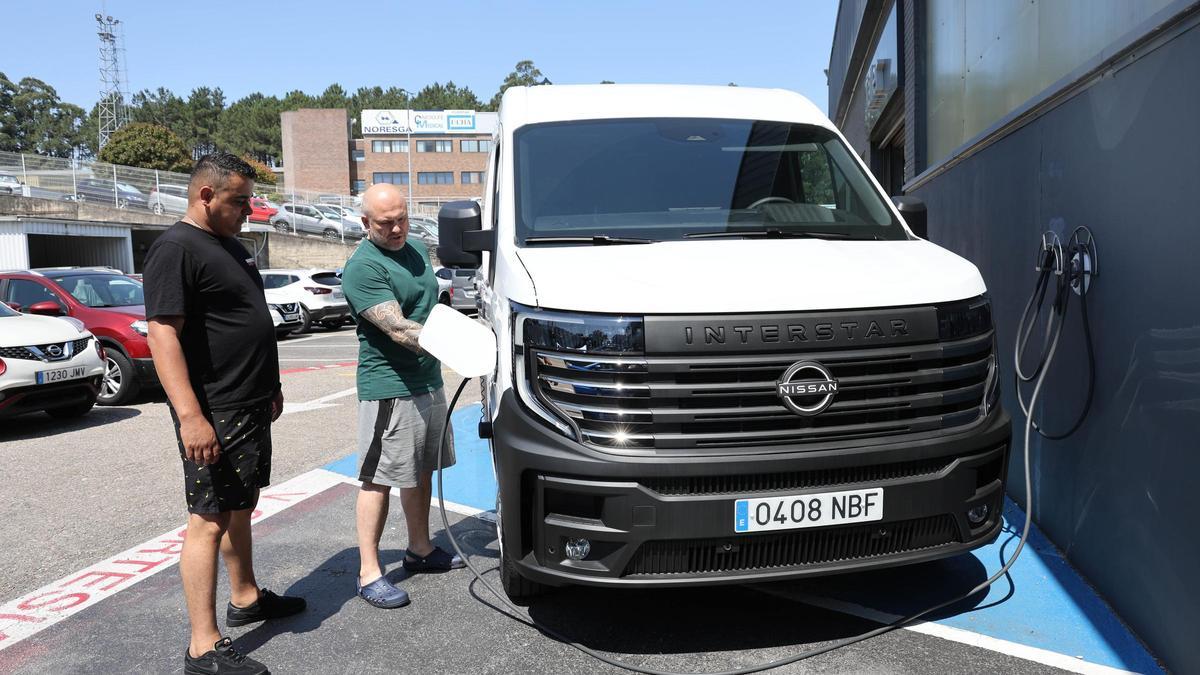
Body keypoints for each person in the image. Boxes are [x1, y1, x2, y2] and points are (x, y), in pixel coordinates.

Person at [144, 153, 304, 675]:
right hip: (215, 408)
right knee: (208, 520)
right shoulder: (174, 248)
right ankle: (202, 647)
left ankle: (246, 598)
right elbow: (163, 334)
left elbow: (247, 321)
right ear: (205, 196)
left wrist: (272, 385)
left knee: (240, 506)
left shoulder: (231, 247)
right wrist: (191, 416)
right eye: (240, 201)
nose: (249, 210)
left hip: (250, 401)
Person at [342, 183, 464, 609]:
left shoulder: (414, 249)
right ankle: (369, 572)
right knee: (378, 479)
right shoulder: (362, 266)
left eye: (402, 219)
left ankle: (419, 549)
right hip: (389, 387)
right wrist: (466, 345)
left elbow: (431, 306)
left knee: (422, 470)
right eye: (385, 223)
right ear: (365, 223)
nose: (396, 229)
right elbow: (398, 328)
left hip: (427, 381)